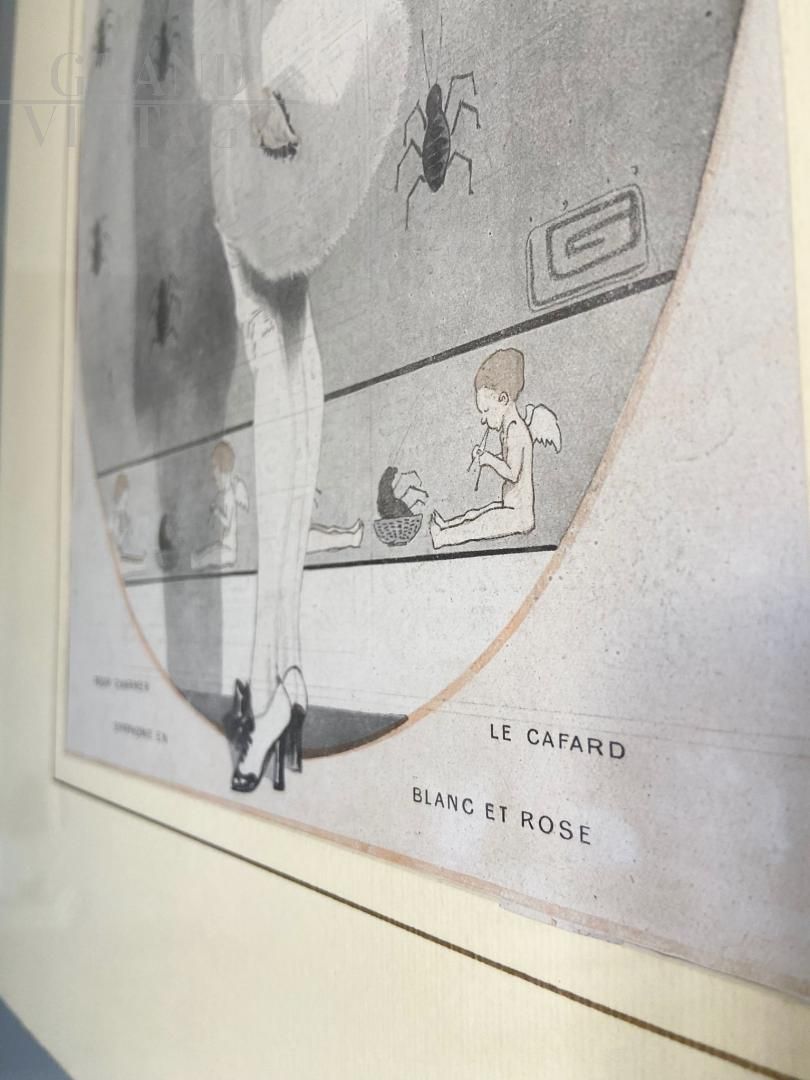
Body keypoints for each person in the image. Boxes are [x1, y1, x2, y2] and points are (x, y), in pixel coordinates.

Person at [430, 349, 553, 548]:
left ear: (503, 399)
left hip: (519, 516)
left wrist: (488, 459)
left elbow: (512, 473)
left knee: (479, 525)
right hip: (510, 507)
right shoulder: (509, 427)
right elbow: (511, 460)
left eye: (486, 410)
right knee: (474, 515)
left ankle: (442, 538)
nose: (483, 419)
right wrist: (487, 457)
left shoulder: (514, 429)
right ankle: (445, 526)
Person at [190, 441, 249, 571]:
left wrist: (217, 512)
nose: (213, 473)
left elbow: (227, 524)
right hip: (224, 547)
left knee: (202, 559)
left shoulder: (229, 496)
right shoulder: (224, 494)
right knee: (205, 553)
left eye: (215, 467)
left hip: (228, 552)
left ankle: (194, 562)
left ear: (223, 470)